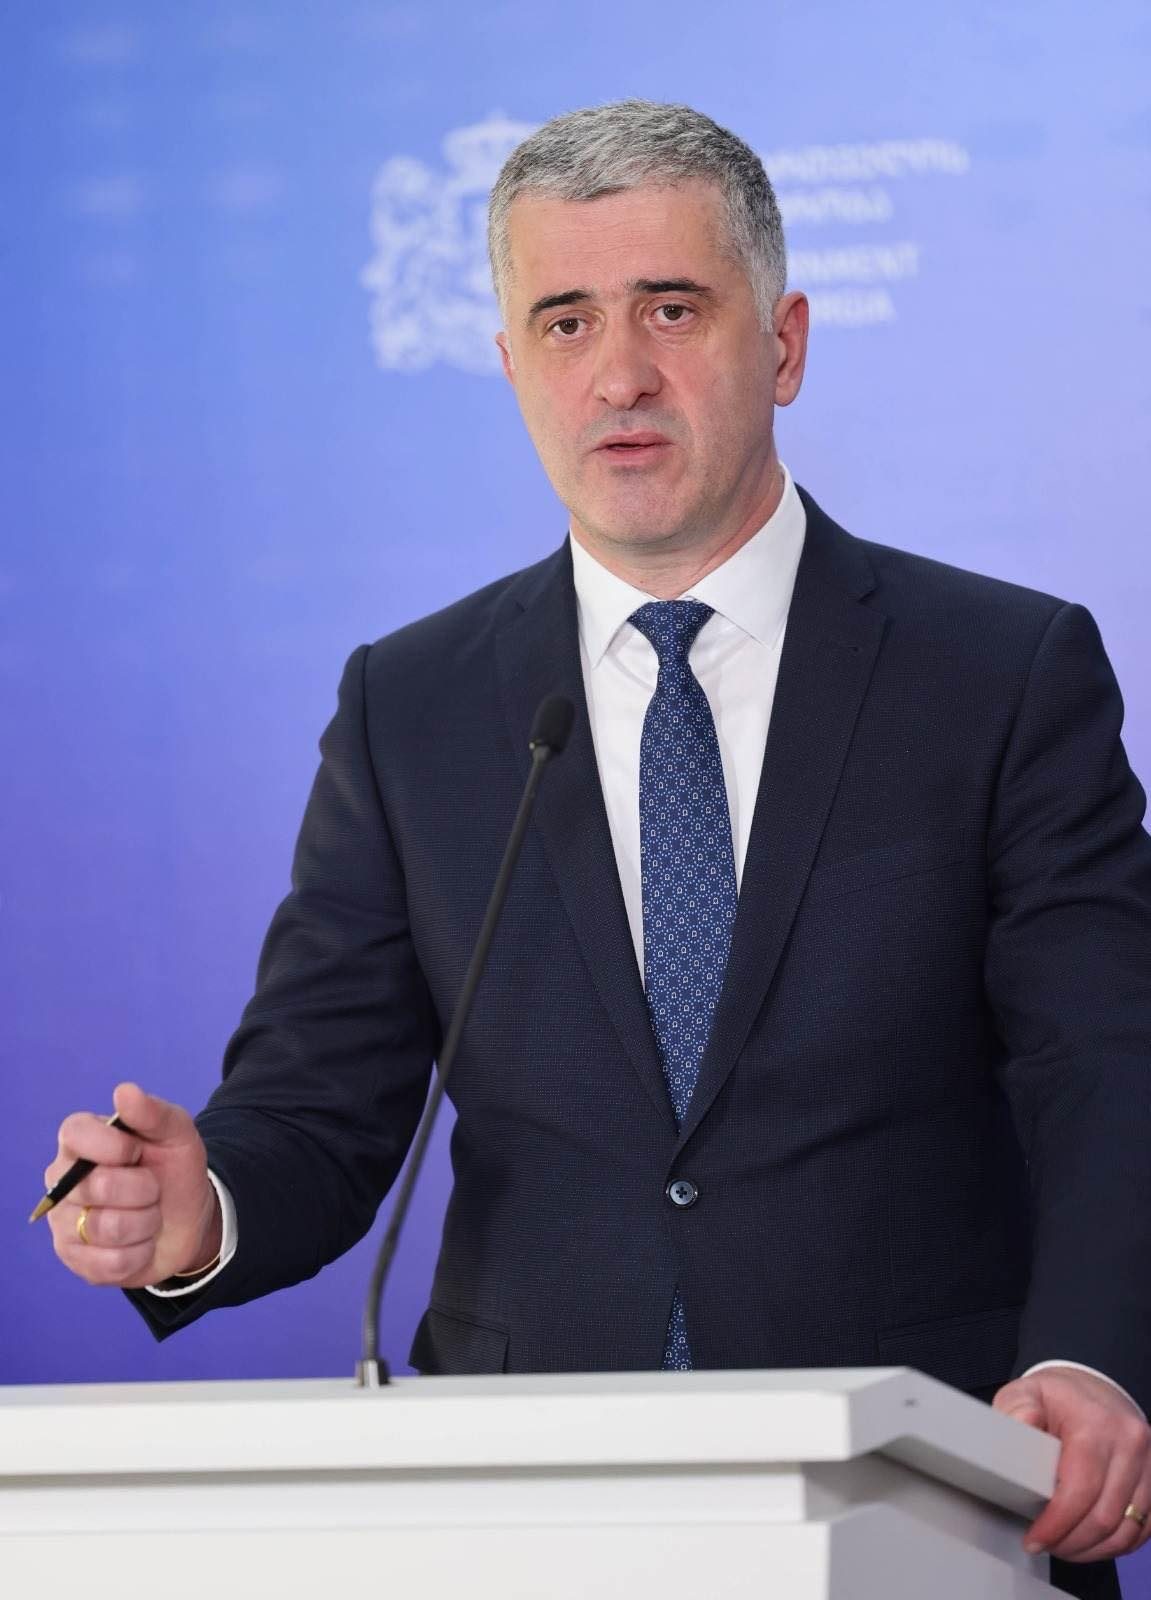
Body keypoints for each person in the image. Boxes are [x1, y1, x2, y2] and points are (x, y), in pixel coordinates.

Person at [41, 101, 1151, 1597]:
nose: (618, 373)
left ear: (785, 345)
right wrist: (203, 1210)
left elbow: (1108, 1067)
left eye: (672, 309)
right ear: (513, 367)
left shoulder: (999, 673)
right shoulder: (411, 703)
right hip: (529, 1508)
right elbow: (322, 1096)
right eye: (564, 321)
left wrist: (1093, 1359)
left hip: (934, 1493)